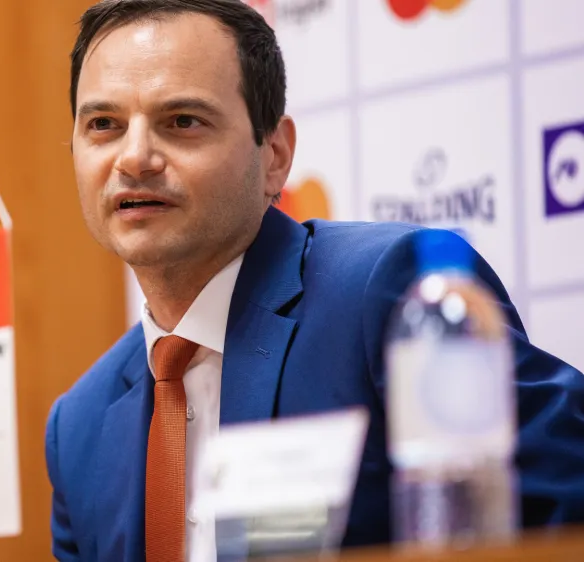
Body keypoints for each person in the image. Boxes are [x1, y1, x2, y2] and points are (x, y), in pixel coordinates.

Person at [44, 0, 584, 560]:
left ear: (275, 154)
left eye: (182, 121)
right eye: (103, 124)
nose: (134, 158)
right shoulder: (78, 428)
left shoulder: (389, 296)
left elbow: (565, 502)